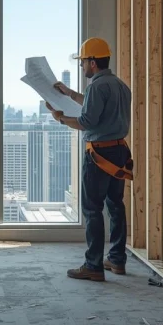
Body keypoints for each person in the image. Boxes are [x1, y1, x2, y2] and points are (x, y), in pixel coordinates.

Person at [46, 37, 133, 282]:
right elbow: (98, 106)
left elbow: (86, 122)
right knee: (116, 206)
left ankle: (93, 265)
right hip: (119, 152)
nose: (82, 66)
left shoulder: (97, 87)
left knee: (92, 209)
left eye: (83, 62)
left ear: (93, 63)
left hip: (99, 155)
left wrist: (60, 117)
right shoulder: (119, 85)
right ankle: (116, 259)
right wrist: (70, 94)